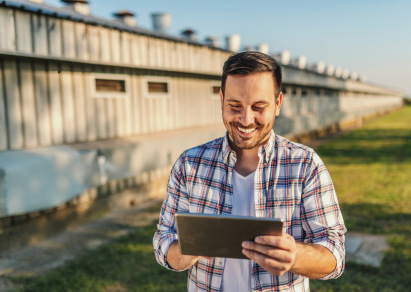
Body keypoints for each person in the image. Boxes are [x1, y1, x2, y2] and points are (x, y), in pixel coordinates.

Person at [153, 51, 346, 292]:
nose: (245, 120)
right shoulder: (189, 164)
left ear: (277, 104)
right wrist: (184, 252)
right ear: (221, 99)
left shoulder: (306, 165)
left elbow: (334, 253)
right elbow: (163, 239)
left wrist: (295, 255)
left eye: (258, 107)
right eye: (235, 106)